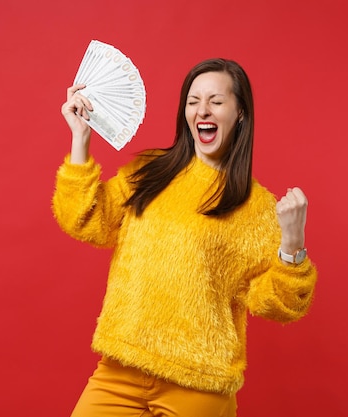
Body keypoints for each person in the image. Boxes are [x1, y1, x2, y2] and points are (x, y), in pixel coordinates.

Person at [52, 58, 318, 417]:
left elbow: (277, 305)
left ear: (240, 113)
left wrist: (292, 245)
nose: (202, 111)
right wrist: (80, 138)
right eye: (193, 101)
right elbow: (86, 220)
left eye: (216, 101)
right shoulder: (148, 172)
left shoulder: (256, 208)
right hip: (120, 369)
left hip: (199, 384)